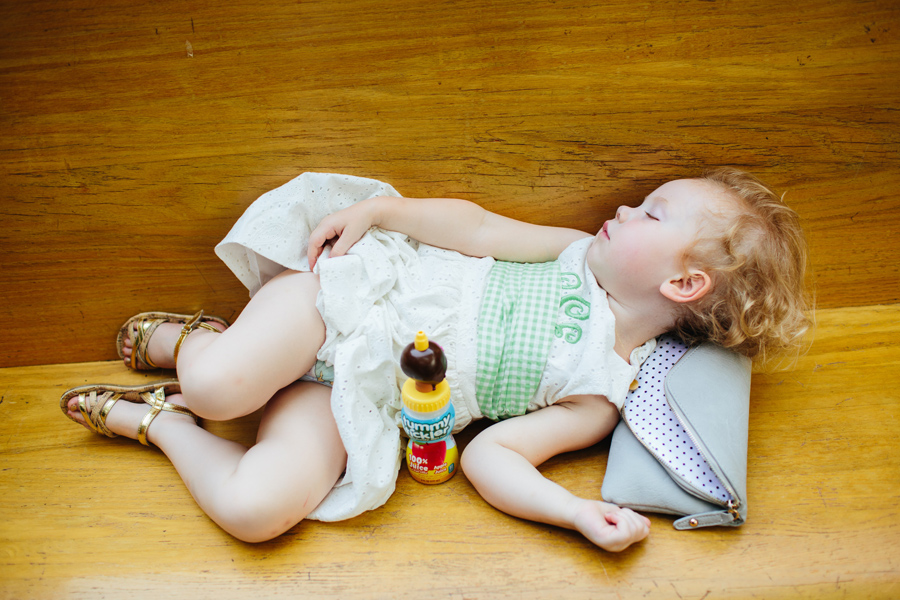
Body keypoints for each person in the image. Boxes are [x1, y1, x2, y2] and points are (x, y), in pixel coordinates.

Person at [60, 168, 810, 551]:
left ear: (683, 283)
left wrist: (576, 512)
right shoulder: (571, 256)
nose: (622, 210)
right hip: (346, 304)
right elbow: (476, 228)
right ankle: (194, 343)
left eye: (651, 213)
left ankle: (159, 425)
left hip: (357, 395)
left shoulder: (600, 392)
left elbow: (495, 463)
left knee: (256, 512)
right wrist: (384, 212)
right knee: (221, 387)